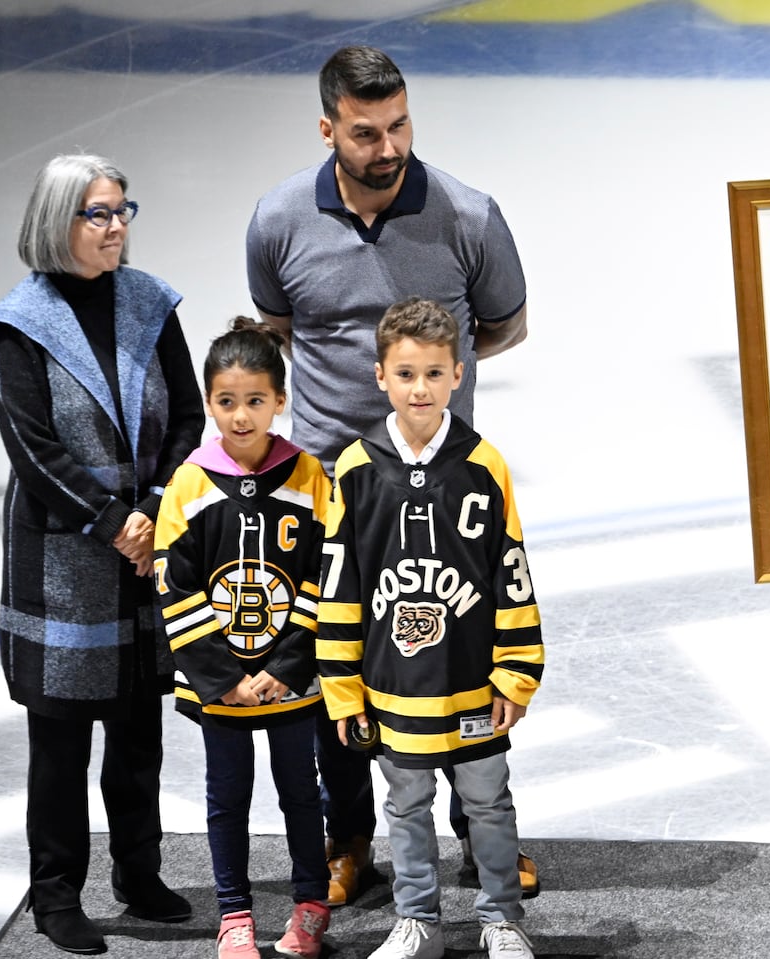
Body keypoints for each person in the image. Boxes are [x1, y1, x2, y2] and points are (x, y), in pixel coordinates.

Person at [245, 43, 535, 906]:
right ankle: (351, 842)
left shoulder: (469, 214)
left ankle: (483, 838)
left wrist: (422, 394)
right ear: (328, 127)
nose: (389, 146)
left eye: (400, 124)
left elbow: (504, 326)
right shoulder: (278, 219)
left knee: (458, 651)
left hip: (448, 482)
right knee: (346, 659)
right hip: (336, 483)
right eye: (367, 132)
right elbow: (279, 325)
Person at [0, 154, 204, 954]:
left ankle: (138, 874)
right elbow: (32, 449)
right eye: (99, 214)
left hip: (143, 549)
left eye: (122, 211)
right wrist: (115, 519)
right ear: (59, 222)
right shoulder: (21, 321)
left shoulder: (151, 303)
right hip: (65, 563)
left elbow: (188, 416)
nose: (117, 227)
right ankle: (54, 895)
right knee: (61, 740)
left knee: (137, 731)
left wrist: (151, 512)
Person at [317, 297, 544, 959]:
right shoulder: (356, 471)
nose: (421, 387)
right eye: (407, 372)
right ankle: (416, 921)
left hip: (472, 683)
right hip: (392, 685)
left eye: (434, 373)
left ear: (459, 375)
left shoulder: (485, 465)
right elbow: (340, 586)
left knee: (489, 804)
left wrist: (516, 671)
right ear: (380, 375)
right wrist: (342, 685)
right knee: (406, 804)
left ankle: (500, 917)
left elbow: (513, 573)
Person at [153, 319, 334, 959]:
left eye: (255, 400)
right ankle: (234, 915)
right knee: (226, 798)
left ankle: (311, 906)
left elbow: (325, 574)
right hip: (220, 686)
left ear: (280, 400)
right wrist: (223, 678)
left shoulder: (310, 477)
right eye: (226, 402)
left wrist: (286, 664)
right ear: (208, 403)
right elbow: (175, 588)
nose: (240, 415)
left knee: (300, 794)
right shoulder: (189, 483)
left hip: (289, 679)